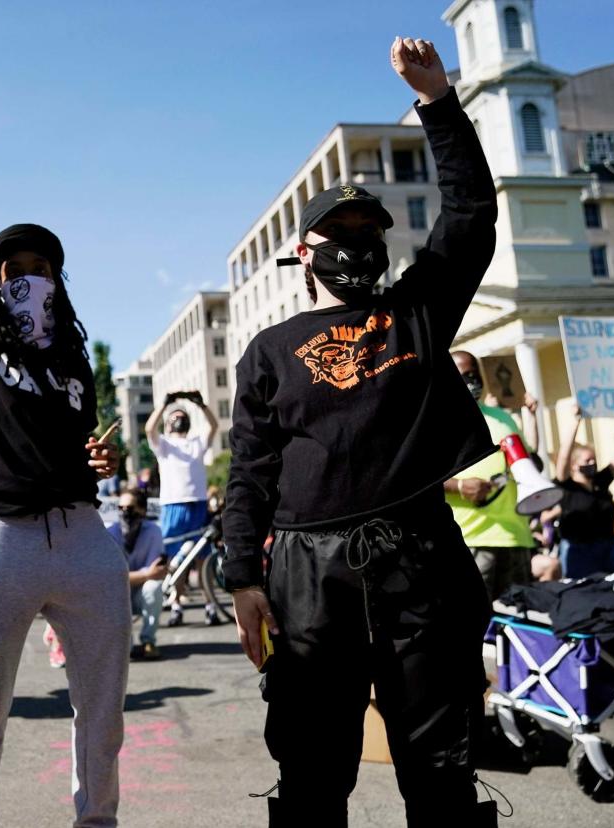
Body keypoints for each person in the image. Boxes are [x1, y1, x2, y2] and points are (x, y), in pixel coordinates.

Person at [224, 38, 500, 826]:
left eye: (368, 229)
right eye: (339, 230)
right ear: (303, 252)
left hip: (419, 557)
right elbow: (250, 473)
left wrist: (438, 103)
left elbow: (472, 215)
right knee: (312, 772)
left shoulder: (414, 312)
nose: (358, 242)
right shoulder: (268, 353)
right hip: (308, 574)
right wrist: (244, 577)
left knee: (440, 765)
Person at [0, 67, 128, 828]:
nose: (26, 277)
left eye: (39, 268)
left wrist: (98, 463)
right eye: (11, 271)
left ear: (58, 279)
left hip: (82, 535)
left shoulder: (76, 358)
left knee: (103, 711)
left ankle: (98, 820)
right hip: (0, 539)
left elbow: (78, 444)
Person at [445, 352, 539, 602]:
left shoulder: (503, 417)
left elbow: (526, 462)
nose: (472, 380)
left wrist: (530, 416)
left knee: (521, 623)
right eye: (463, 376)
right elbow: (417, 475)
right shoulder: (435, 419)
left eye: (475, 374)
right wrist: (461, 486)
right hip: (469, 538)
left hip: (514, 536)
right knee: (473, 624)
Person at [544, 402, 614, 578]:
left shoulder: (601, 481)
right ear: (574, 465)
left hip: (609, 549)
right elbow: (563, 457)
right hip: (578, 553)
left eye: (594, 460)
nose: (592, 464)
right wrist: (575, 421)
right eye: (587, 461)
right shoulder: (567, 486)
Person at [147, 390, 222, 626]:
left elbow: (213, 425)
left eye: (182, 415)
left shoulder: (196, 442)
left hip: (197, 505)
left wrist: (200, 404)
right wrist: (164, 404)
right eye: (175, 415)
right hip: (173, 506)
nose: (179, 419)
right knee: (172, 560)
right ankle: (176, 603)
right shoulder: (164, 445)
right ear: (168, 424)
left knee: (202, 559)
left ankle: (210, 605)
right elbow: (149, 429)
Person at [108, 490, 167, 661]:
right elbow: (113, 578)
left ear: (142, 510)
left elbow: (157, 573)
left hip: (141, 594)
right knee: (113, 590)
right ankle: (127, 644)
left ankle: (148, 641)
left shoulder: (154, 531)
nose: (124, 512)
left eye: (130, 508)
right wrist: (146, 573)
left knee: (153, 587)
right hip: (119, 594)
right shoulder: (110, 533)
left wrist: (139, 575)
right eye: (120, 507)